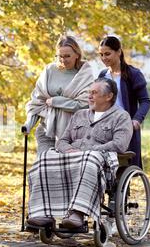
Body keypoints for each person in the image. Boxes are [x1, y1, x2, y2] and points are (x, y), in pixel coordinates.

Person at [27, 78, 133, 229]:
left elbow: (120, 144)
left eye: (94, 93)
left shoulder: (121, 117)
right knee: (44, 158)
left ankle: (77, 213)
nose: (89, 96)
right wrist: (68, 149)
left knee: (89, 159)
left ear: (109, 96)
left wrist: (88, 151)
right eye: (89, 92)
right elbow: (62, 141)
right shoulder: (80, 115)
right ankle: (42, 212)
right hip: (72, 156)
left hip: (100, 157)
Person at [23, 35, 95, 155]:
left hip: (72, 134)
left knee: (65, 171)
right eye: (60, 56)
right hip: (46, 130)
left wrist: (56, 101)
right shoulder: (49, 71)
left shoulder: (85, 74)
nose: (63, 60)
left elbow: (84, 104)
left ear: (77, 54)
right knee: (44, 167)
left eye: (67, 56)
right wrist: (28, 124)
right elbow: (37, 102)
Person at [98, 35, 150, 168]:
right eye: (101, 54)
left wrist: (137, 120)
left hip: (125, 126)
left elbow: (145, 101)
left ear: (119, 52)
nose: (104, 58)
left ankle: (122, 189)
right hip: (105, 127)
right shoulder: (102, 75)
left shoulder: (133, 74)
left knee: (122, 167)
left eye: (107, 54)